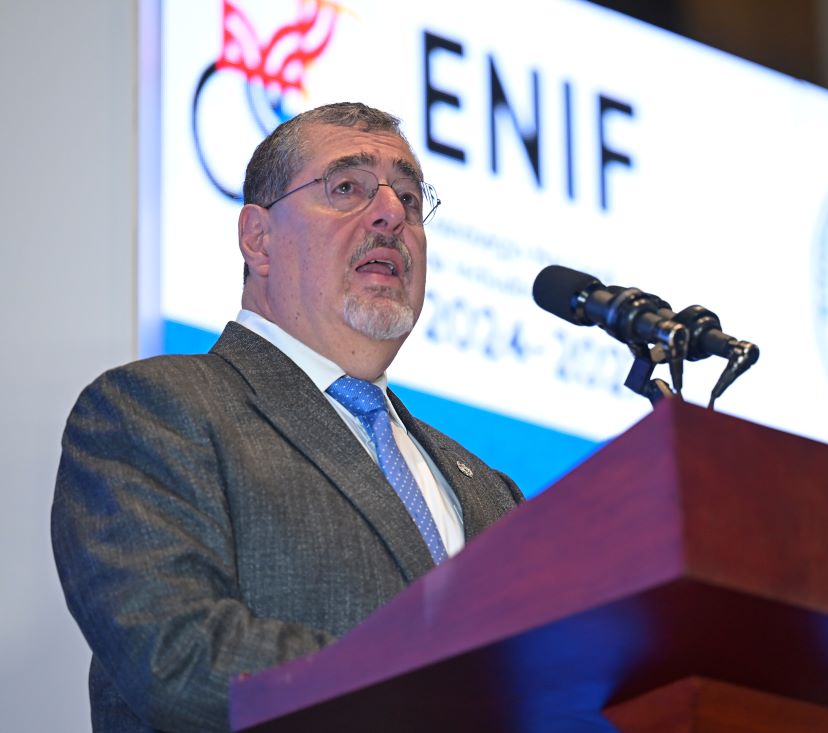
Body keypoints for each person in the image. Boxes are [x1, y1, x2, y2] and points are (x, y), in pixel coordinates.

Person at [51, 102, 524, 732]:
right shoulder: (154, 411)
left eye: (409, 198)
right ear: (258, 239)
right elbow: (179, 657)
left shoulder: (489, 489)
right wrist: (436, 691)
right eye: (348, 187)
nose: (391, 213)